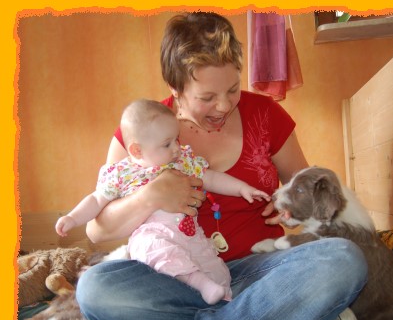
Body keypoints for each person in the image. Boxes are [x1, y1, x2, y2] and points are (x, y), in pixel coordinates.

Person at [60, 12, 368, 320]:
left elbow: (307, 192)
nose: (224, 105)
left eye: (233, 89)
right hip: (177, 278)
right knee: (96, 290)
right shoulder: (142, 133)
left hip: (260, 269)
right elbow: (97, 231)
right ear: (175, 89)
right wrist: (150, 196)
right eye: (207, 97)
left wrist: (289, 210)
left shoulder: (266, 115)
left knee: (344, 258)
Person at [55, 99, 270, 305]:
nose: (176, 148)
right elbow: (96, 200)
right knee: (155, 255)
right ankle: (200, 285)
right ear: (137, 150)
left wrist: (243, 188)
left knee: (215, 268)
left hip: (189, 233)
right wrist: (72, 218)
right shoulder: (122, 173)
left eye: (177, 139)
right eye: (167, 144)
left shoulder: (182, 162)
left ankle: (221, 300)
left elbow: (211, 178)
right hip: (152, 235)